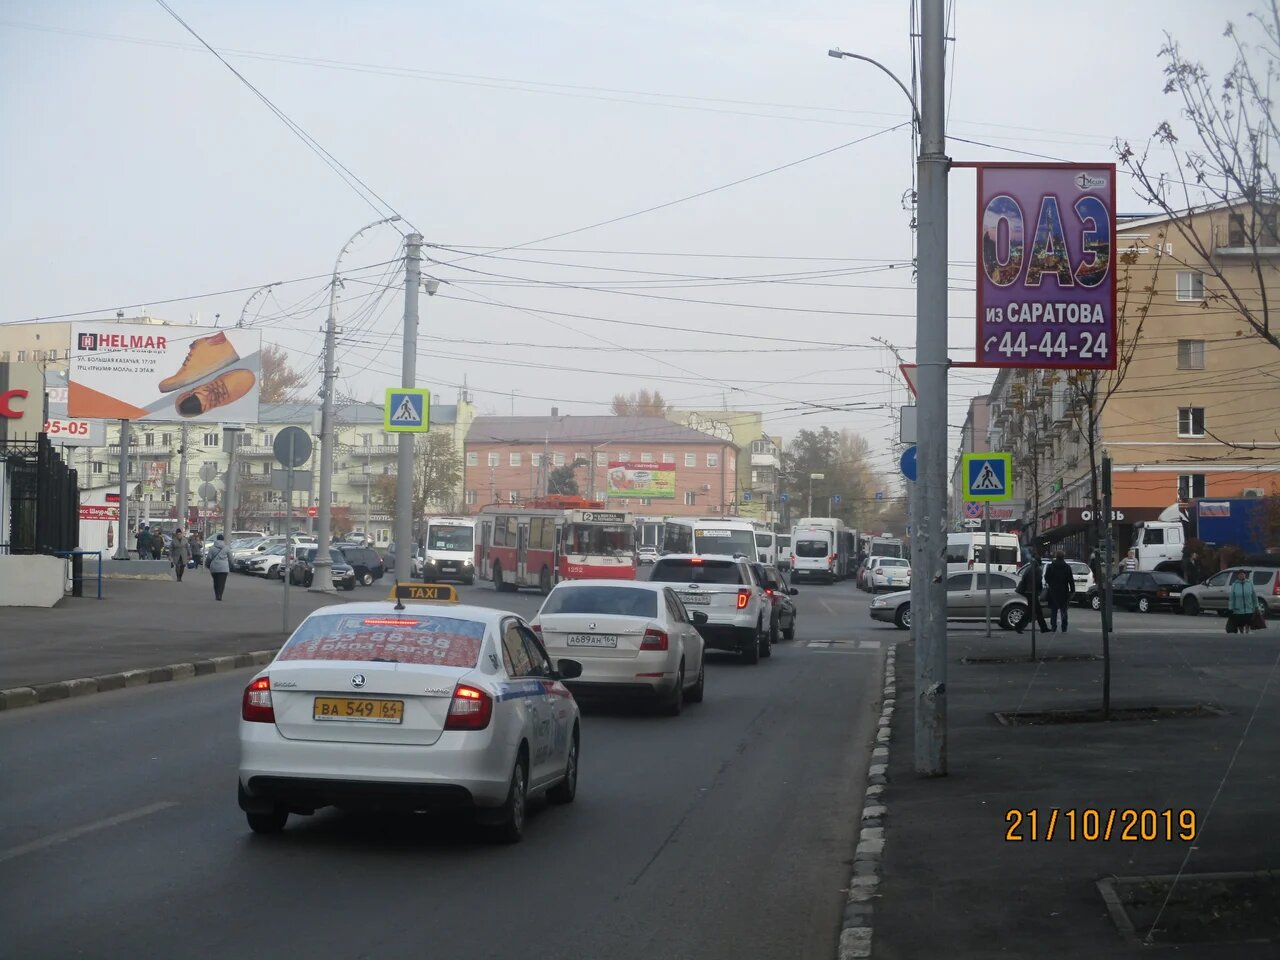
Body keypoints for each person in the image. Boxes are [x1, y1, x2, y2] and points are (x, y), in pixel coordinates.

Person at [1015, 553, 1050, 634]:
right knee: (1034, 611)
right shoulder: (1037, 570)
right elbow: (1038, 582)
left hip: (1027, 592)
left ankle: (1043, 627)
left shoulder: (1029, 568)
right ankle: (1019, 626)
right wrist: (1040, 591)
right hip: (1031, 592)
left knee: (1034, 611)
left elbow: (1024, 579)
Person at [1044, 550, 1075, 633]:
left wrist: (1050, 583)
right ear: (1063, 557)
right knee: (1063, 610)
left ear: (1056, 557)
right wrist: (1072, 590)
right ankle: (1064, 627)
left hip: (1053, 591)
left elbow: (1046, 577)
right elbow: (1071, 580)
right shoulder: (1067, 567)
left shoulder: (1050, 566)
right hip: (1064, 591)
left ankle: (1053, 626)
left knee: (1053, 610)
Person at [1227, 568, 1259, 634]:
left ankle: (1247, 631)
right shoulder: (1235, 585)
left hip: (1248, 607)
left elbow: (1254, 596)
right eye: (1240, 574)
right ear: (1238, 576)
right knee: (1240, 622)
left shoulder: (1249, 584)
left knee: (1248, 621)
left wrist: (1256, 606)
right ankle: (1241, 632)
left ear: (1245, 575)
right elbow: (1232, 598)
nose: (1241, 576)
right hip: (1238, 608)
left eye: (1243, 574)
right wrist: (1231, 607)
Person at [205, 533, 231, 601]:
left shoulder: (212, 548)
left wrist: (207, 564)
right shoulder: (227, 548)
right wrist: (231, 566)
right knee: (222, 583)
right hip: (224, 568)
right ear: (223, 540)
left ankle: (217, 594)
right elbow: (231, 559)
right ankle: (220, 595)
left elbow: (209, 558)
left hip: (214, 568)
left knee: (216, 581)